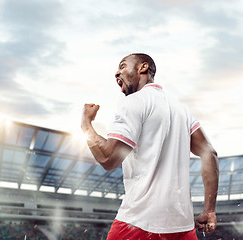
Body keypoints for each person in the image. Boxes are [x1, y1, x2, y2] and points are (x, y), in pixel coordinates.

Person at [81, 53, 219, 240]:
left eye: (122, 66)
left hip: (139, 224)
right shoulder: (181, 109)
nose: (116, 73)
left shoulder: (134, 102)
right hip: (182, 228)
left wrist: (86, 124)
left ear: (143, 67)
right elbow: (209, 152)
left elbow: (108, 158)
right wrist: (209, 210)